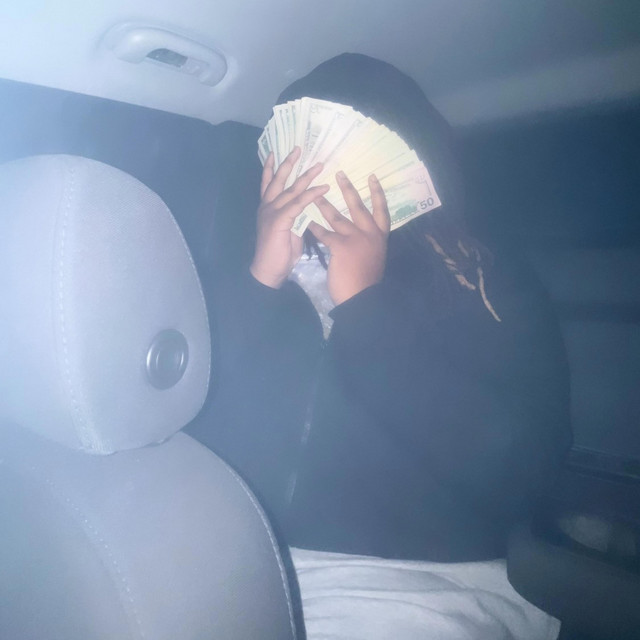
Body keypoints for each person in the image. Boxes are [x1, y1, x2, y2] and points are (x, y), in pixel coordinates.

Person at [187, 53, 571, 562]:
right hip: (236, 541)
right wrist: (260, 279)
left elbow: (520, 472)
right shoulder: (253, 263)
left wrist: (366, 307)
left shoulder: (483, 277)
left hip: (414, 570)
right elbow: (184, 415)